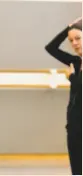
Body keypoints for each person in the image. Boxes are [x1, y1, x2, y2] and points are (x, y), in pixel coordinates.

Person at [45, 17, 82, 175]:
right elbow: (51, 48)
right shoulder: (75, 62)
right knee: (76, 168)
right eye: (71, 40)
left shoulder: (74, 68)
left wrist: (72, 78)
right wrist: (68, 27)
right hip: (74, 123)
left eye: (78, 38)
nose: (74, 43)